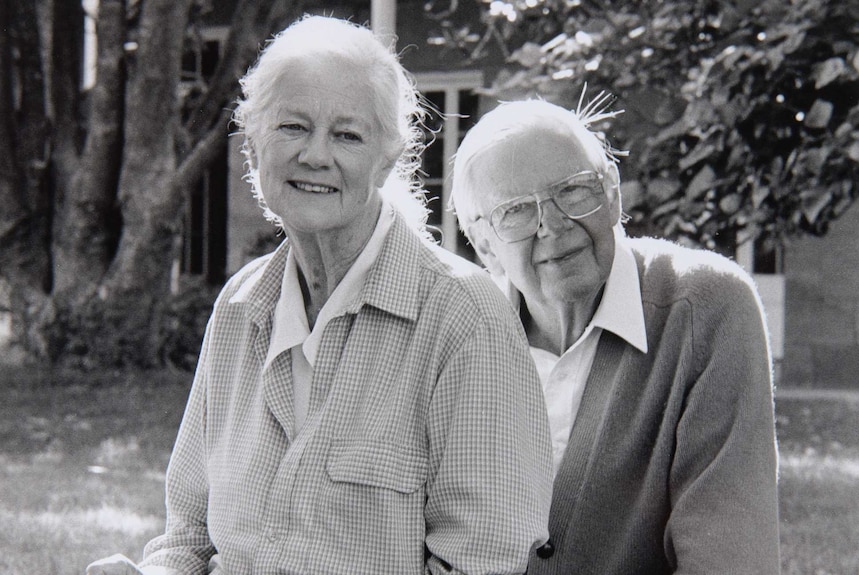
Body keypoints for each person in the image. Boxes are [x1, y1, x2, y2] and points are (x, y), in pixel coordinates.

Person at [87, 16, 553, 575]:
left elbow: (483, 564)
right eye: (293, 127)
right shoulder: (239, 307)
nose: (315, 155)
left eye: (347, 135)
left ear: (386, 159)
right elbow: (190, 535)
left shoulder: (464, 317)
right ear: (254, 142)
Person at [449, 97, 781, 574]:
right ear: (485, 246)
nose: (554, 226)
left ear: (613, 196)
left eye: (575, 191)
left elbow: (729, 557)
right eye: (517, 211)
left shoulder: (704, 309)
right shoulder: (459, 336)